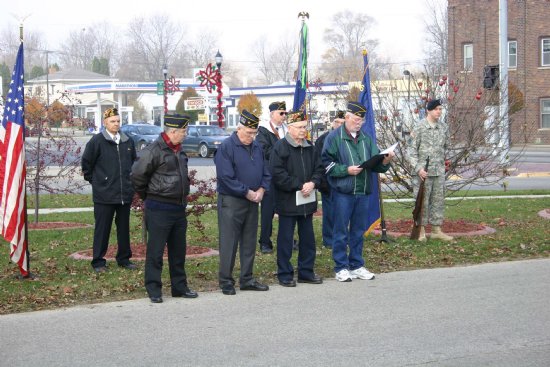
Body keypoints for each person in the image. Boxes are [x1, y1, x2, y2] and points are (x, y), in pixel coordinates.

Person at [322, 101, 395, 282]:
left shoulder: (367, 138)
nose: (359, 123)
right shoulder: (334, 138)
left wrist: (385, 161)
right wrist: (346, 170)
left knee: (358, 231)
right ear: (347, 117)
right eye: (356, 119)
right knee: (340, 231)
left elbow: (377, 165)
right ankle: (341, 267)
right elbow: (325, 164)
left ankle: (356, 265)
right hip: (343, 192)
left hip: (363, 191)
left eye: (361, 120)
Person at [130, 113, 198, 303]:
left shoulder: (179, 150)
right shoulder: (153, 150)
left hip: (178, 208)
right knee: (156, 251)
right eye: (184, 131)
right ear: (173, 131)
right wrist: (149, 195)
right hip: (158, 208)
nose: (186, 134)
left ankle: (179, 287)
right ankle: (154, 288)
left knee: (179, 251)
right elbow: (137, 176)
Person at [214, 109, 271, 295]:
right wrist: (246, 192)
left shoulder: (257, 147)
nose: (251, 137)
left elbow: (266, 172)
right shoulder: (227, 147)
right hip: (232, 201)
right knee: (229, 242)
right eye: (248, 133)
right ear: (239, 129)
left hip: (254, 200)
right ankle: (226, 281)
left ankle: (247, 278)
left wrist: (262, 189)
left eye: (254, 133)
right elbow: (225, 177)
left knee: (249, 241)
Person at [270, 110, 324, 287]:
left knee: (308, 238)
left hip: (307, 201)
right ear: (290, 128)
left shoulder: (310, 147)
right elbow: (277, 174)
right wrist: (300, 185)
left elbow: (319, 169)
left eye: (305, 127)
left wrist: (313, 183)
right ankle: (285, 273)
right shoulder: (280, 147)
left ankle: (306, 272)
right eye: (300, 127)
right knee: (286, 239)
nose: (303, 130)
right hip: (287, 202)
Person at [81, 107, 137, 273]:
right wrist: (98, 182)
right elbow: (86, 164)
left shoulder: (128, 141)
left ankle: (124, 259)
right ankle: (98, 261)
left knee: (124, 229)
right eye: (113, 121)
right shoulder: (97, 141)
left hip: (124, 194)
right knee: (102, 229)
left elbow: (134, 163)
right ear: (105, 123)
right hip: (104, 195)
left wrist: (130, 183)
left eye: (118, 121)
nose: (116, 124)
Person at [407, 99, 453, 242]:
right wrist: (418, 168)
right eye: (436, 109)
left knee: (438, 201)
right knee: (422, 202)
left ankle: (436, 230)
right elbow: (410, 150)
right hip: (423, 173)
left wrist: (440, 162)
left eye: (440, 109)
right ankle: (420, 230)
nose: (439, 111)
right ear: (428, 110)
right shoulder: (419, 127)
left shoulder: (443, 127)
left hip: (438, 171)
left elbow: (446, 146)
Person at [256, 101, 288, 254]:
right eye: (281, 113)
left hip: (285, 176)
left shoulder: (287, 130)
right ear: (272, 114)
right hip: (270, 176)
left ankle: (286, 238)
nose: (284, 116)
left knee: (286, 210)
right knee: (268, 211)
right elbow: (265, 151)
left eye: (285, 113)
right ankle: (264, 241)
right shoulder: (263, 131)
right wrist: (283, 149)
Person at [314, 110, 345, 249]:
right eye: (337, 122)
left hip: (343, 182)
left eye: (342, 123)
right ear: (332, 123)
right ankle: (329, 239)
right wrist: (323, 183)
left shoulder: (346, 138)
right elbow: (319, 162)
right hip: (328, 183)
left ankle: (341, 238)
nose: (339, 125)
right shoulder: (323, 139)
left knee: (342, 212)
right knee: (330, 213)